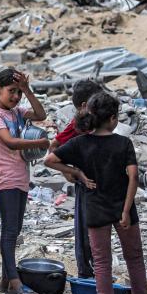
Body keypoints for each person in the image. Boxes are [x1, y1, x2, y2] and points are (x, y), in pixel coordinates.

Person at [44, 91, 147, 294]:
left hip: (95, 208)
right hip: (122, 207)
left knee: (101, 263)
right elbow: (132, 177)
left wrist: (77, 173)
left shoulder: (80, 143)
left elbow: (49, 160)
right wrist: (127, 210)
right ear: (112, 118)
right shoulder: (123, 143)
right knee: (135, 260)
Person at [0, 68, 48, 294]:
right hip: (5, 180)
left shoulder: (17, 112)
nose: (16, 97)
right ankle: (16, 283)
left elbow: (41, 113)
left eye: (18, 93)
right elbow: (10, 143)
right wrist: (39, 142)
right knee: (9, 232)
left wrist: (28, 90)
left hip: (20, 179)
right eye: (12, 92)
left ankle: (5, 281)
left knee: (15, 230)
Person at [48, 79, 103, 278]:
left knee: (100, 229)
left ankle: (99, 269)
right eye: (95, 101)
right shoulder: (77, 124)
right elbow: (54, 147)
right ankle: (86, 272)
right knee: (85, 228)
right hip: (86, 183)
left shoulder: (100, 119)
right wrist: (68, 172)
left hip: (102, 182)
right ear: (83, 106)